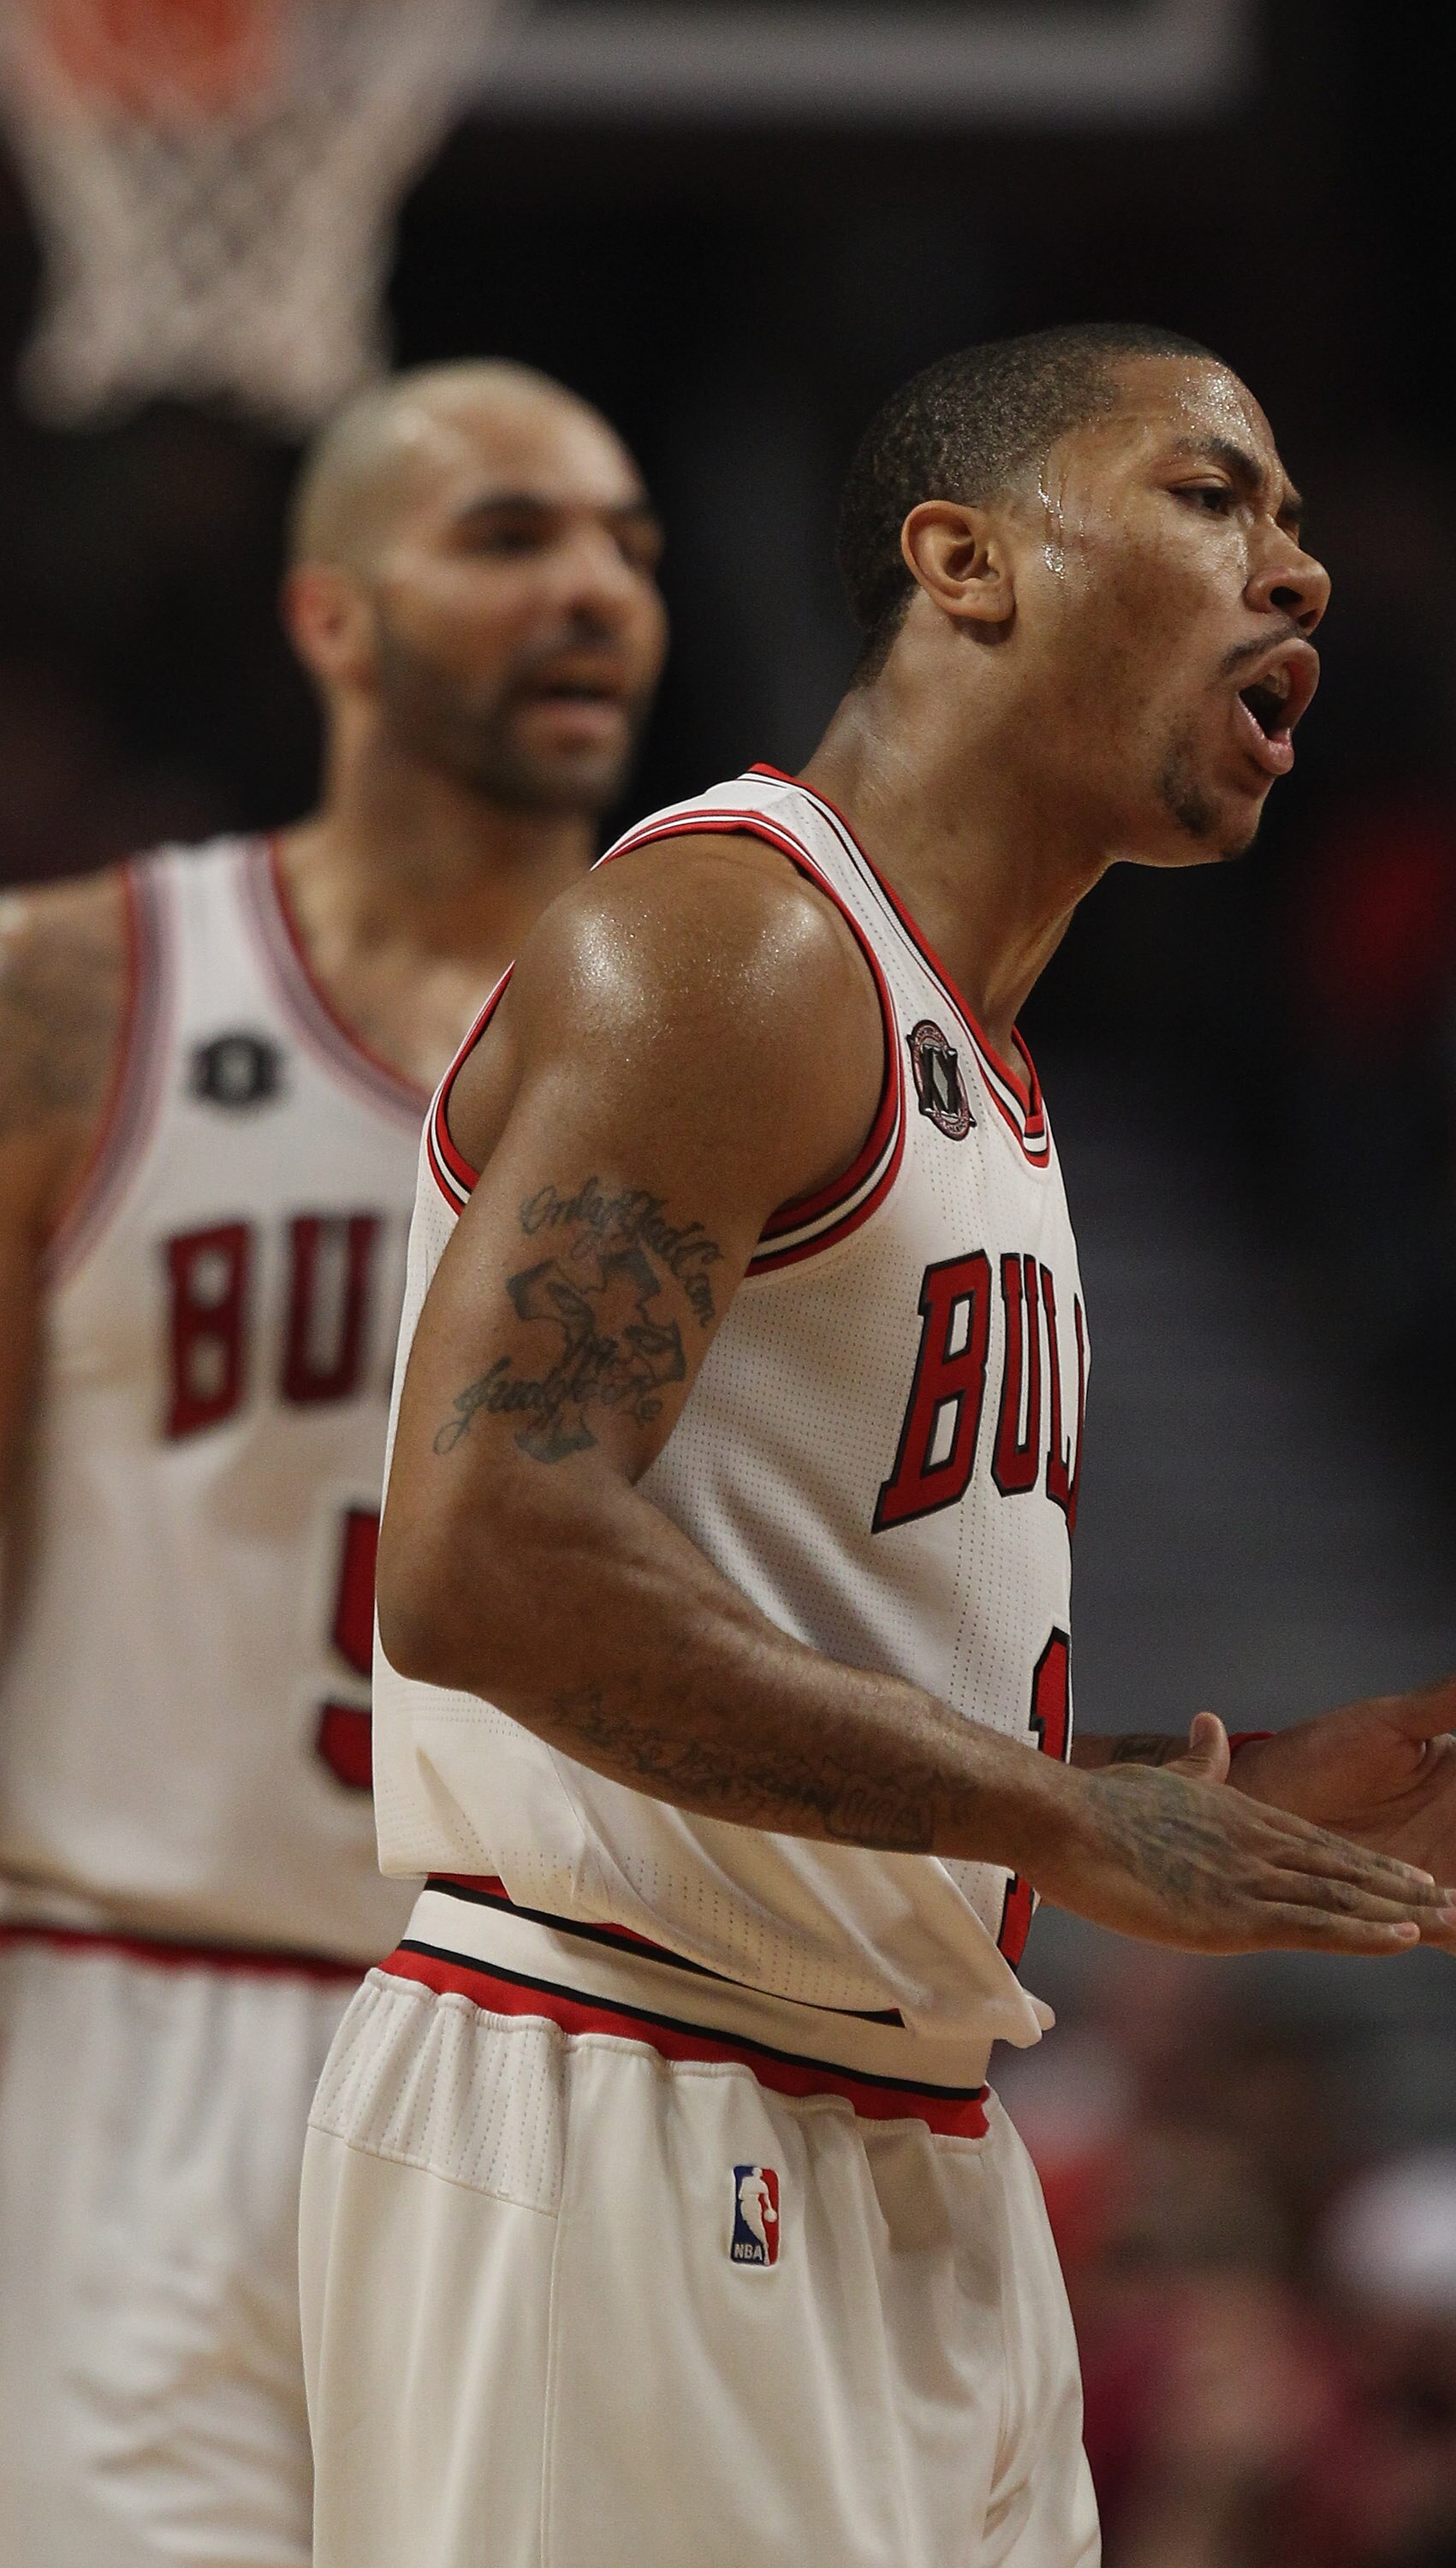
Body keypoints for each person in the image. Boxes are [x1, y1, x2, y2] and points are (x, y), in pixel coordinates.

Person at [305, 324, 1456, 2568]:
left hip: (897, 2131)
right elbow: (481, 1554)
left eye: (1308, 524)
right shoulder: (733, 944)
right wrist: (1068, 1812)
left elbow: (799, 1682)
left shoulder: (991, 1080)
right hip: (629, 2094)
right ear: (964, 562)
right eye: (1216, 495)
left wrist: (1201, 1790)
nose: (1302, 572)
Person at [0, 358, 667, 2566]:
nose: (589, 591)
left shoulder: (750, 1072)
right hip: (137, 2035)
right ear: (331, 619)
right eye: (508, 537)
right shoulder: (75, 998)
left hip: (565, 2087)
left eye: (629, 551)